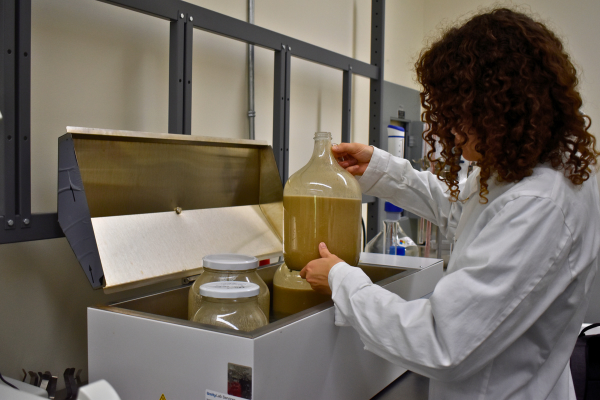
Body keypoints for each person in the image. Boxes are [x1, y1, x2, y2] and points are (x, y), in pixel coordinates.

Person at [299, 8, 600, 400]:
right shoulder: (523, 166)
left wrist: (343, 280)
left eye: (461, 114)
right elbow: (462, 208)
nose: (453, 132)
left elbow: (441, 342)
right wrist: (380, 167)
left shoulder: (542, 203)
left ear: (501, 106)